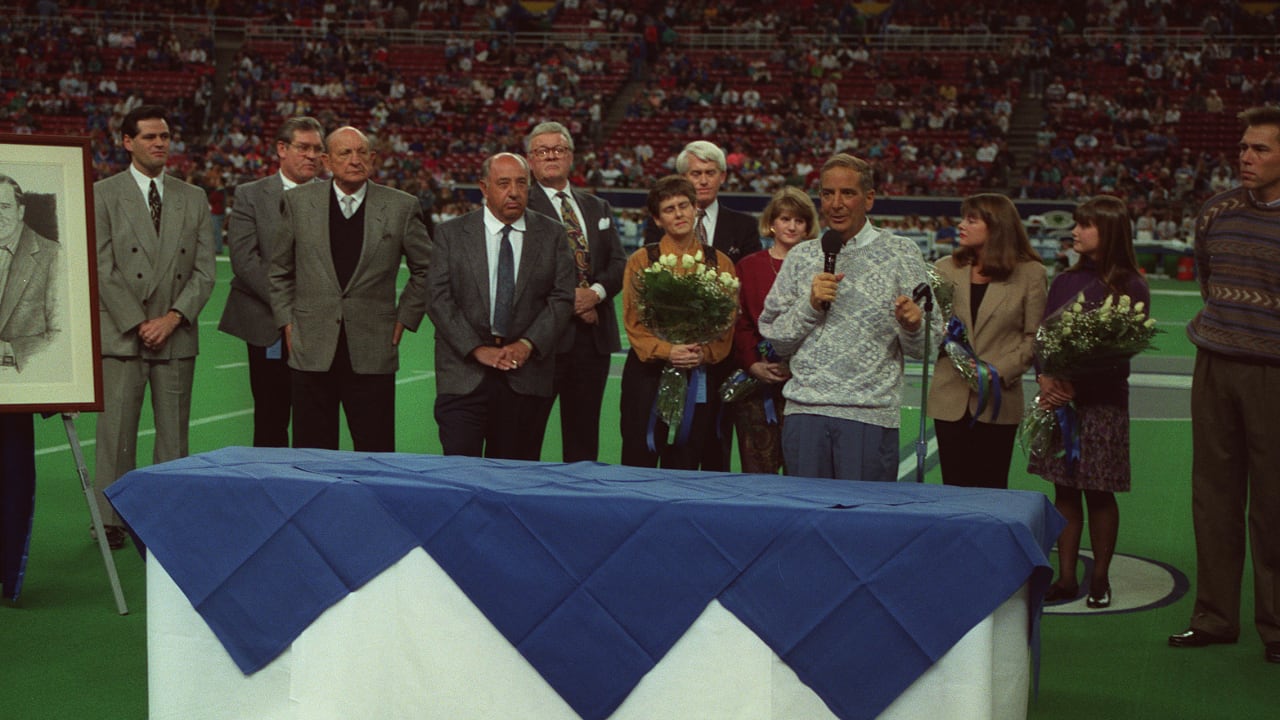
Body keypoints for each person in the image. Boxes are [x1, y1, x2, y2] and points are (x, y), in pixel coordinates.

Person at [1171, 106, 1280, 664]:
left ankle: (1277, 627)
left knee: (1273, 505)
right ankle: (1214, 617)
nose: (1246, 156)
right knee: (1212, 496)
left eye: (1260, 149)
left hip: (1274, 375)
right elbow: (1208, 280)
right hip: (1215, 361)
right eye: (1243, 147)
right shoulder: (1215, 211)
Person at [758, 153, 932, 482]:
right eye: (827, 194)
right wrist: (810, 305)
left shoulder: (901, 253)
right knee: (806, 521)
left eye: (847, 193)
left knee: (864, 526)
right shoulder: (802, 255)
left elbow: (926, 348)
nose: (835, 203)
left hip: (870, 415)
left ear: (869, 198)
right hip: (805, 412)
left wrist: (913, 325)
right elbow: (776, 338)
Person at [93, 105, 216, 549]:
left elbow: (205, 272)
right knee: (116, 434)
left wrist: (171, 318)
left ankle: (167, 514)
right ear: (127, 142)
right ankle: (109, 520)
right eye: (149, 137)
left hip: (176, 333)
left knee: (173, 436)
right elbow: (102, 267)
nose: (160, 144)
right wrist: (139, 321)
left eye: (165, 136)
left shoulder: (193, 197)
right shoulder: (102, 194)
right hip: (124, 334)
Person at [268, 126, 431, 452]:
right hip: (311, 348)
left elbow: (428, 269)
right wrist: (286, 321)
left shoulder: (401, 206)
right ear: (327, 161)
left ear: (372, 158)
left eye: (362, 153)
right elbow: (278, 271)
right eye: (345, 153)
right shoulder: (298, 202)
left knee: (375, 454)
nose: (355, 160)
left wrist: (405, 318)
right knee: (311, 456)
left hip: (373, 348)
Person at [1031, 195, 1149, 609]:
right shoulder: (1064, 280)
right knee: (1063, 488)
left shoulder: (1132, 284)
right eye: (1076, 224)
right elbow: (1043, 337)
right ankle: (1065, 577)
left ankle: (1099, 576)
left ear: (1110, 232)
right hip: (1060, 402)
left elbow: (1122, 353)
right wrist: (1046, 378)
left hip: (1102, 406)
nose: (1075, 232)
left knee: (1099, 492)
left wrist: (1078, 385)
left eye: (1084, 225)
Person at [427, 152, 575, 460]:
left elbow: (561, 297)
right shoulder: (451, 234)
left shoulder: (552, 234)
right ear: (484, 187)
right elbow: (439, 299)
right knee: (459, 475)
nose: (514, 192)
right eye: (503, 183)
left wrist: (527, 344)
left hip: (525, 375)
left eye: (522, 183)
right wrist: (477, 349)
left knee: (514, 480)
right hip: (464, 375)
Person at [643, 140, 761, 471]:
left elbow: (748, 292)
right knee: (673, 447)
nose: (704, 180)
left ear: (723, 176)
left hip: (723, 358)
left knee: (715, 450)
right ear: (682, 177)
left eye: (711, 172)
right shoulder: (658, 227)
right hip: (671, 359)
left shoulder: (744, 226)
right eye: (696, 173)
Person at [218, 117, 325, 447]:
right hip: (268, 325)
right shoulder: (251, 195)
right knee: (270, 414)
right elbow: (245, 260)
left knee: (316, 417)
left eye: (317, 149)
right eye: (303, 147)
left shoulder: (332, 196)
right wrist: (288, 308)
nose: (311, 155)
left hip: (321, 327)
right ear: (282, 149)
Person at [524, 121, 626, 462]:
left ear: (570, 156)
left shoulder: (597, 207)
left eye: (558, 149)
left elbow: (618, 263)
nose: (551, 156)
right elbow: (526, 271)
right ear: (530, 159)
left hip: (591, 340)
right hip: (541, 339)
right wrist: (572, 300)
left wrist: (594, 294)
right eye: (542, 151)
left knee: (584, 438)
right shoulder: (519, 207)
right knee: (527, 434)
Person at [929, 194, 1047, 489]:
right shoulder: (944, 269)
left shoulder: (1031, 273)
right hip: (949, 398)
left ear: (996, 227)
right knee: (953, 490)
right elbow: (933, 328)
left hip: (999, 398)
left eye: (971, 220)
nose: (960, 225)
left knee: (991, 489)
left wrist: (994, 373)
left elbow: (1035, 336)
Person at [620, 175, 737, 469]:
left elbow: (727, 324)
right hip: (648, 374)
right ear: (658, 220)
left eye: (683, 205)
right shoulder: (641, 260)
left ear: (695, 208)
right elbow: (634, 323)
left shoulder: (719, 262)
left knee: (688, 459)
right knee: (639, 456)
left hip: (698, 374)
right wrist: (667, 351)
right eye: (669, 209)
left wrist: (701, 353)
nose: (679, 213)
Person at [730, 187, 818, 474]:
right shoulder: (748, 266)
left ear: (808, 227)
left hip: (807, 384)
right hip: (757, 385)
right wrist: (753, 363)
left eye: (799, 221)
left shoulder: (819, 268)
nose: (792, 226)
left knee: (803, 472)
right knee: (758, 472)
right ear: (772, 223)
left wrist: (797, 365)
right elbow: (739, 323)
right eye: (784, 218)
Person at [0, 174, 60, 372]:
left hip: (26, 375)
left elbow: (62, 334)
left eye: (4, 207)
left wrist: (11, 350)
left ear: (20, 211)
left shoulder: (53, 255)